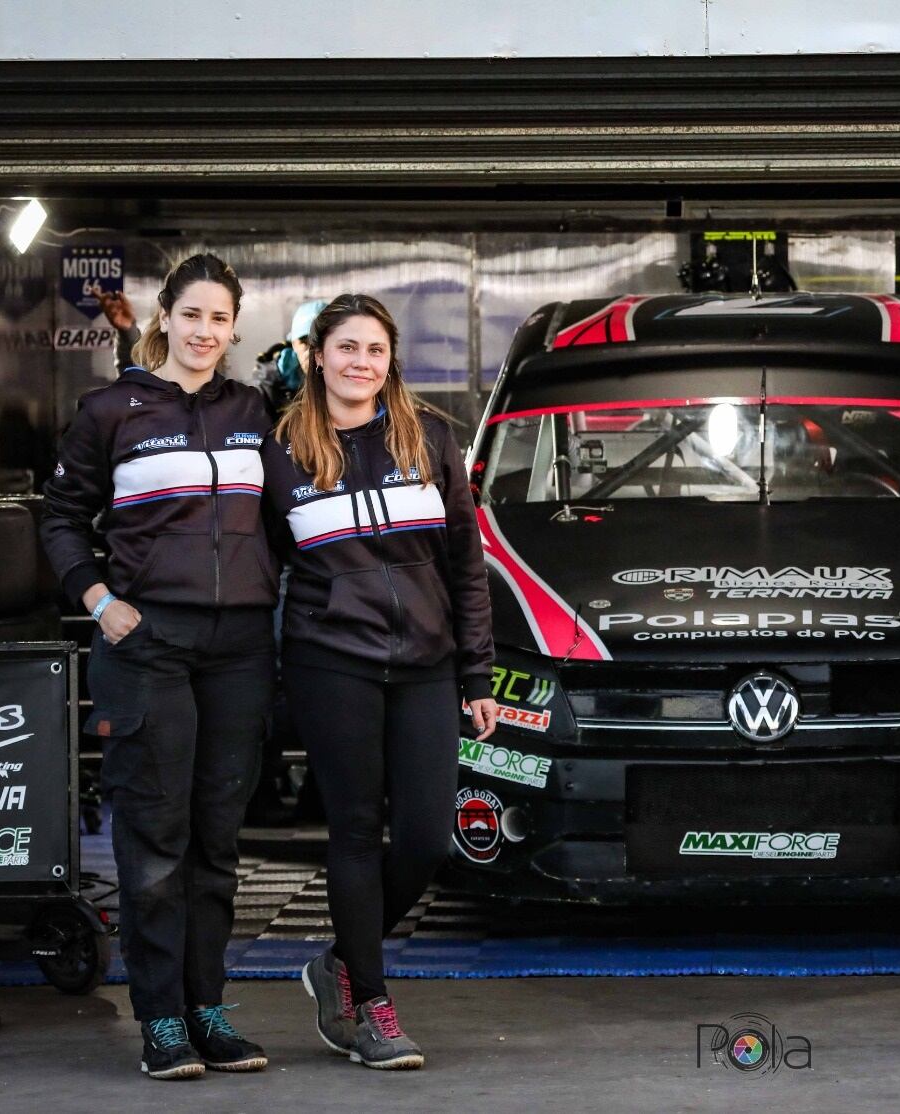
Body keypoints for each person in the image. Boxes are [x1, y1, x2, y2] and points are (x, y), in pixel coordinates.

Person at [41, 253, 278, 1080]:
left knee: (217, 839)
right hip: (147, 643)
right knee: (155, 840)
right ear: (166, 318)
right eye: (192, 315)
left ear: (232, 329)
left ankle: (208, 1009)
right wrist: (100, 600)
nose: (205, 332)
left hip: (242, 648)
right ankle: (161, 1020)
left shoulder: (255, 410)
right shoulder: (111, 410)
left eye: (220, 320)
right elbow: (62, 518)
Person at [262, 293, 498, 1070]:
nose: (361, 361)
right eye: (346, 347)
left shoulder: (430, 437)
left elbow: (467, 566)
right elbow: (264, 566)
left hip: (427, 665)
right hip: (332, 663)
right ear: (315, 355)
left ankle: (337, 965)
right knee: (356, 833)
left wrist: (477, 673)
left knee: (430, 837)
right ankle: (373, 1005)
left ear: (388, 360)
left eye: (375, 349)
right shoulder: (282, 450)